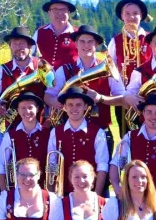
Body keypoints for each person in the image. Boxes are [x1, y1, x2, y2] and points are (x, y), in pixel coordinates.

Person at [45, 25, 125, 162]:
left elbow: (123, 99)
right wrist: (56, 103)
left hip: (100, 131)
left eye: (90, 42)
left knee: (101, 174)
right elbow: (47, 96)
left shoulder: (108, 68)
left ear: (96, 45)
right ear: (75, 43)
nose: (86, 45)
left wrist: (101, 98)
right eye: (82, 41)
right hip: (69, 131)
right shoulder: (63, 70)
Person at [46, 86, 110, 195]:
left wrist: (96, 196)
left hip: (89, 192)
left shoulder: (98, 132)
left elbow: (102, 166)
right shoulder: (55, 132)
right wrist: (52, 195)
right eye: (70, 105)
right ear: (64, 107)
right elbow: (52, 164)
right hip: (63, 192)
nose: (74, 108)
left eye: (78, 105)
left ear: (85, 107)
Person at [0, 27, 49, 121]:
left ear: (29, 46)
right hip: (13, 130)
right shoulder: (1, 71)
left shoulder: (42, 66)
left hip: (40, 127)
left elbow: (53, 92)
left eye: (21, 43)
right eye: (14, 43)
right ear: (10, 46)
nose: (18, 47)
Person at [0, 92, 52, 189]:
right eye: (23, 108)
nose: (27, 111)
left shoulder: (48, 134)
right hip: (18, 190)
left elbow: (52, 165)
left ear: (37, 109)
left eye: (30, 107)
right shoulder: (10, 135)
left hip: (42, 189)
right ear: (18, 110)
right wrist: (4, 193)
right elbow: (1, 165)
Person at [109, 0, 152, 86]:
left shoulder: (152, 39)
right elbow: (110, 68)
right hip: (124, 91)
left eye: (135, 13)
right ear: (122, 16)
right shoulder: (115, 41)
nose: (131, 17)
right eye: (127, 13)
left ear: (141, 15)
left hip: (149, 88)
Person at [33, 0, 78, 69]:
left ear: (68, 13)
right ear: (49, 12)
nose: (60, 13)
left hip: (71, 79)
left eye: (63, 10)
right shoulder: (39, 32)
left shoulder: (78, 34)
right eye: (55, 9)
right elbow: (30, 56)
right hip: (45, 79)